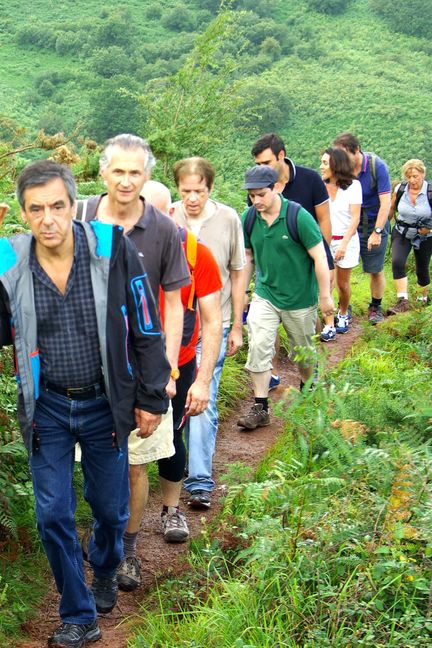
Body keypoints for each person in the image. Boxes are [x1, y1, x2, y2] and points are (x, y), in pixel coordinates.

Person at [0, 160, 170, 648]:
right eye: (36, 209)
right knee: (52, 513)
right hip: (47, 407)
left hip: (106, 404)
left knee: (111, 510)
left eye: (57, 205)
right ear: (24, 213)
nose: (48, 218)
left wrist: (152, 394)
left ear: (73, 204)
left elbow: (145, 321)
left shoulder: (111, 248)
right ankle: (78, 614)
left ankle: (106, 566)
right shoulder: (10, 262)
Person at [75, 134, 190, 592]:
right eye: (118, 171)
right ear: (102, 172)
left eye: (135, 172)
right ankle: (101, 533)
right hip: (80, 371)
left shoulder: (163, 229)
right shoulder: (77, 215)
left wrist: (165, 370)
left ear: (147, 176)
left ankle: (127, 549)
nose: (126, 180)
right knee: (88, 464)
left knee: (136, 464)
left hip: (141, 372)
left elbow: (175, 303)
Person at [140, 180, 223, 547]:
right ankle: (114, 522)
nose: (150, 221)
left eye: (158, 212)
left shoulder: (197, 255)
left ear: (171, 212)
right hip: (126, 363)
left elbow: (212, 319)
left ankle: (171, 509)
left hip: (181, 362)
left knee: (171, 438)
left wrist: (203, 380)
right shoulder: (116, 246)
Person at [171, 157, 246, 510]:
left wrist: (238, 324)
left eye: (198, 191)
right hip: (177, 328)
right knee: (176, 397)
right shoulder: (167, 217)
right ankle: (171, 467)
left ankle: (199, 480)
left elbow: (237, 271)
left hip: (216, 322)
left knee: (203, 395)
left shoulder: (228, 218)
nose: (191, 198)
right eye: (185, 191)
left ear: (209, 189)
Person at [237, 165, 334, 430]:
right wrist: (244, 292)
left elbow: (319, 256)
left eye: (261, 194)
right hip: (266, 295)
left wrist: (325, 296)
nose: (256, 200)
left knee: (302, 356)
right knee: (258, 344)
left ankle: (308, 389)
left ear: (277, 188)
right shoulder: (248, 218)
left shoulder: (298, 216)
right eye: (252, 195)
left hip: (300, 299)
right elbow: (247, 257)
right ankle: (260, 406)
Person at [251, 133, 332, 384]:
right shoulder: (259, 189)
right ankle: (272, 372)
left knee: (305, 324)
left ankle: (310, 367)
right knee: (266, 324)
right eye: (258, 164)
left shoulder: (310, 179)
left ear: (281, 156)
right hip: (272, 269)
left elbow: (324, 220)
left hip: (307, 263)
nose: (261, 169)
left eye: (266, 163)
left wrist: (324, 258)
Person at [333, 132, 391, 324]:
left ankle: (375, 306)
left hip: (373, 224)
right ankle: (344, 306)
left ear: (356, 150)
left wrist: (378, 231)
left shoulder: (376, 166)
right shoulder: (341, 169)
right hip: (349, 225)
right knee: (341, 269)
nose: (340, 160)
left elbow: (385, 203)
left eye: (344, 155)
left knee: (375, 269)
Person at [319, 147, 362, 341]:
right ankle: (329, 325)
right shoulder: (319, 186)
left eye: (325, 163)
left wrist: (344, 243)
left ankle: (343, 312)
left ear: (336, 165)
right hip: (325, 241)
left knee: (342, 284)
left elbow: (355, 218)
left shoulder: (353, 186)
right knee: (326, 284)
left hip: (347, 241)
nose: (321, 166)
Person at [387, 159, 432, 313]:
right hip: (402, 231)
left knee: (422, 269)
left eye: (415, 176)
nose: (412, 180)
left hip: (425, 236)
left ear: (423, 174)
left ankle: (421, 302)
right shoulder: (400, 189)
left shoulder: (430, 192)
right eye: (409, 177)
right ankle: (402, 301)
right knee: (397, 262)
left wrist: (429, 229)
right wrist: (380, 228)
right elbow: (391, 207)